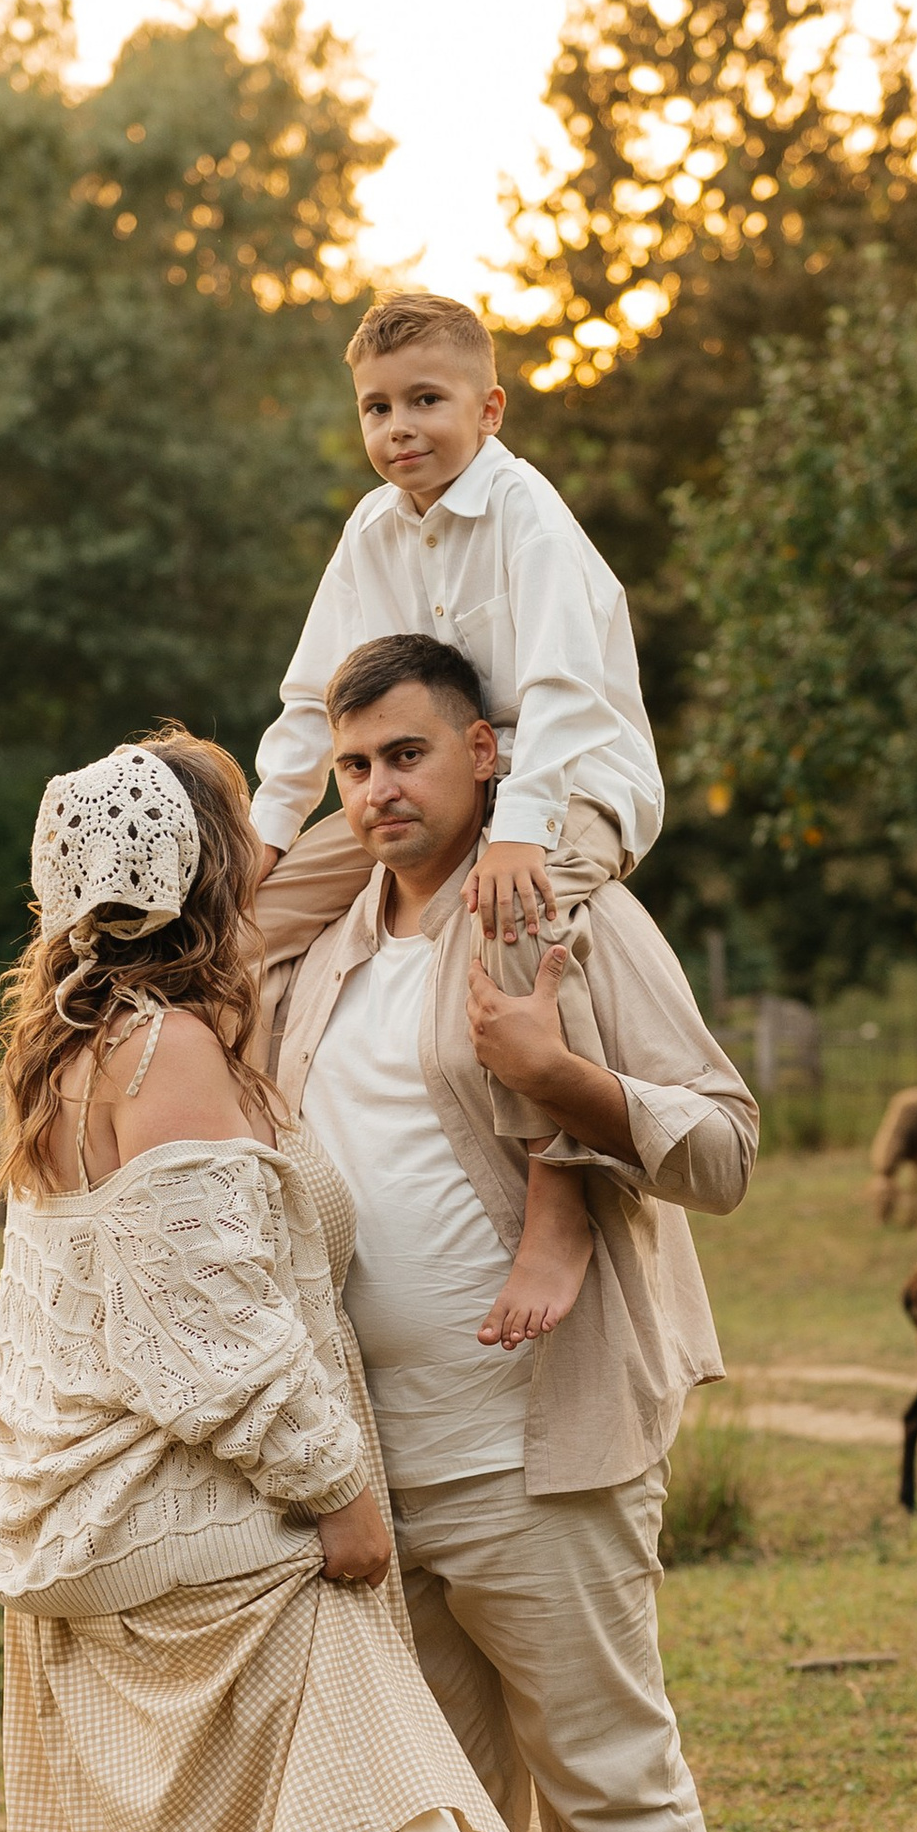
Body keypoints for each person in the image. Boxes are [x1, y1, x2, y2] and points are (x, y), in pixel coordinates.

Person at [0, 725, 595, 1832]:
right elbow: (217, 1338)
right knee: (358, 1804)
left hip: (71, 1508)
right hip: (182, 1510)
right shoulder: (164, 1050)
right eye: (242, 836)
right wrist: (344, 1491)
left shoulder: (70, 1040)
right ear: (198, 873)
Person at [275, 632, 757, 1832]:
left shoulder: (570, 911)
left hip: (542, 1448)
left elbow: (726, 1138)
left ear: (489, 750)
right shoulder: (330, 953)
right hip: (377, 1480)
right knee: (451, 1823)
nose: (376, 790)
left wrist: (569, 1078)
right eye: (351, 766)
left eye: (404, 754)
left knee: (612, 1793)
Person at [250, 291, 665, 1354]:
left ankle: (557, 1196)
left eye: (425, 400)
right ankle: (246, 1164)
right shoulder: (372, 529)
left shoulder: (527, 514)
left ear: (489, 408)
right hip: (423, 774)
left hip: (568, 779)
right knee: (246, 923)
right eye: (375, 407)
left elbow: (568, 690)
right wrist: (263, 831)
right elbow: (314, 697)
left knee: (509, 912)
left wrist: (520, 828)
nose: (398, 428)